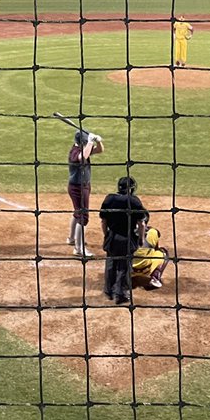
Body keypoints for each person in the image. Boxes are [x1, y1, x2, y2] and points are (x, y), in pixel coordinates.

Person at [99, 176, 149, 304]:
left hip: (112, 236)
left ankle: (108, 291)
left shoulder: (109, 199)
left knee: (111, 263)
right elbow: (142, 224)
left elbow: (103, 221)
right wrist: (141, 239)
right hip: (127, 238)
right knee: (124, 266)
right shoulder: (134, 201)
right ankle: (120, 294)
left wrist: (106, 236)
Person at [66, 129, 103, 258]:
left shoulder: (82, 148)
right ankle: (79, 248)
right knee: (83, 217)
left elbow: (99, 150)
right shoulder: (75, 152)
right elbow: (83, 157)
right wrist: (90, 142)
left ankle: (71, 239)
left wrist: (97, 142)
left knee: (78, 213)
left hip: (83, 186)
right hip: (78, 188)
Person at [131, 225, 169, 291]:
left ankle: (120, 278)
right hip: (146, 269)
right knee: (163, 252)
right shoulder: (152, 232)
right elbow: (156, 248)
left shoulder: (123, 232)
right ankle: (155, 277)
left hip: (128, 269)